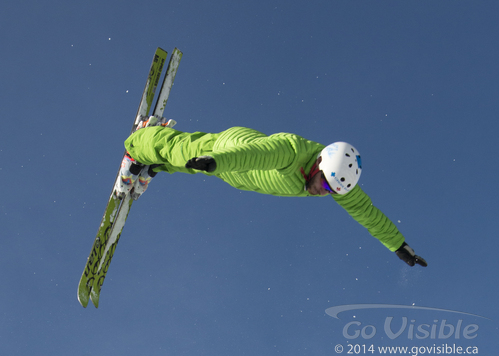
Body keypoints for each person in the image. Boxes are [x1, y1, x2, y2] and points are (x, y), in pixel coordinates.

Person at [116, 116, 427, 267]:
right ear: (318, 164)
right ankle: (140, 142)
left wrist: (398, 245)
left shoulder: (335, 182)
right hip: (237, 149)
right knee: (186, 152)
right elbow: (254, 156)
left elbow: (367, 212)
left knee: (194, 165)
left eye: (332, 191)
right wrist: (219, 161)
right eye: (324, 184)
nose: (323, 193)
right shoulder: (290, 151)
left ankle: (152, 166)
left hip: (237, 173)